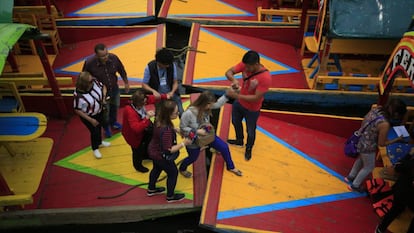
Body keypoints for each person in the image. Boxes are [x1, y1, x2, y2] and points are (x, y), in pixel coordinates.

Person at [345, 98, 407, 192]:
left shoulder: (377, 109)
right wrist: (397, 139)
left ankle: (350, 177)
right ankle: (355, 185)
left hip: (361, 140)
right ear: (396, 114)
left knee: (361, 159)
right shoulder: (385, 124)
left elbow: (364, 121)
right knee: (369, 167)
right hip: (368, 146)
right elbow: (382, 143)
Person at [179, 91, 242, 178]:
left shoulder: (207, 107)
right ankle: (182, 168)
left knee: (224, 147)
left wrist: (227, 95)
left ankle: (231, 167)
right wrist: (197, 131)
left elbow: (218, 104)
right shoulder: (188, 114)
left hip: (208, 135)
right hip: (194, 140)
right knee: (193, 158)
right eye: (209, 105)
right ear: (204, 103)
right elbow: (182, 128)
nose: (211, 107)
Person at [225, 50, 271, 161]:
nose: (246, 69)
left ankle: (249, 148)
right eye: (245, 66)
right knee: (235, 122)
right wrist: (234, 80)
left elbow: (256, 98)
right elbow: (228, 72)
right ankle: (239, 140)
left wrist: (236, 96)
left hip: (252, 109)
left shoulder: (265, 78)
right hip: (239, 103)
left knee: (250, 130)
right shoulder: (245, 65)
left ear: (256, 64)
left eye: (249, 67)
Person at [147, 99, 192, 202]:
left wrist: (174, 129)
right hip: (161, 156)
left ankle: (151, 189)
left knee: (156, 169)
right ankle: (170, 196)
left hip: (153, 151)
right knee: (173, 173)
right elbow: (169, 149)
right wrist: (183, 143)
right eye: (176, 113)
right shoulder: (166, 130)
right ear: (168, 114)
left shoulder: (158, 119)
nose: (178, 113)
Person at [82, 43, 129, 138]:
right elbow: (84, 76)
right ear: (96, 55)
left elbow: (121, 70)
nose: (106, 57)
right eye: (103, 56)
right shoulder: (89, 63)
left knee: (115, 106)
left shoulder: (114, 58)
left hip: (114, 88)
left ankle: (113, 122)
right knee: (105, 111)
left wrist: (126, 83)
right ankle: (106, 126)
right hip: (100, 93)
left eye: (107, 54)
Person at [122, 89, 169, 173]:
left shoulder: (138, 102)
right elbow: (136, 128)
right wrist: (147, 118)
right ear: (138, 103)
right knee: (137, 150)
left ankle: (145, 155)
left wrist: (164, 96)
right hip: (133, 136)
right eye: (143, 103)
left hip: (143, 130)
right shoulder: (130, 111)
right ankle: (138, 166)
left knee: (147, 141)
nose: (145, 104)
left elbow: (151, 98)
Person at [73, 71, 111, 159]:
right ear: (85, 84)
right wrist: (91, 120)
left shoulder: (95, 82)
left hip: (99, 111)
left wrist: (104, 97)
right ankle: (95, 148)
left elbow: (103, 86)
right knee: (94, 131)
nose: (93, 81)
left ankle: (100, 142)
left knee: (99, 127)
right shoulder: (78, 95)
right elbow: (77, 110)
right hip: (89, 116)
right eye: (90, 81)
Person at [375, 152, 414, 233]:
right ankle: (381, 228)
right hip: (405, 190)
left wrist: (408, 155)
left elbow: (400, 166)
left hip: (404, 190)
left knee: (395, 209)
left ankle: (380, 229)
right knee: (396, 209)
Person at [142, 48, 184, 117]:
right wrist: (153, 91)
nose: (168, 66)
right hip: (159, 96)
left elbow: (175, 82)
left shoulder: (171, 65)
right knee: (159, 115)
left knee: (181, 112)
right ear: (159, 62)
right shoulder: (150, 67)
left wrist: (172, 92)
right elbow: (144, 85)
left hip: (171, 93)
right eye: (166, 65)